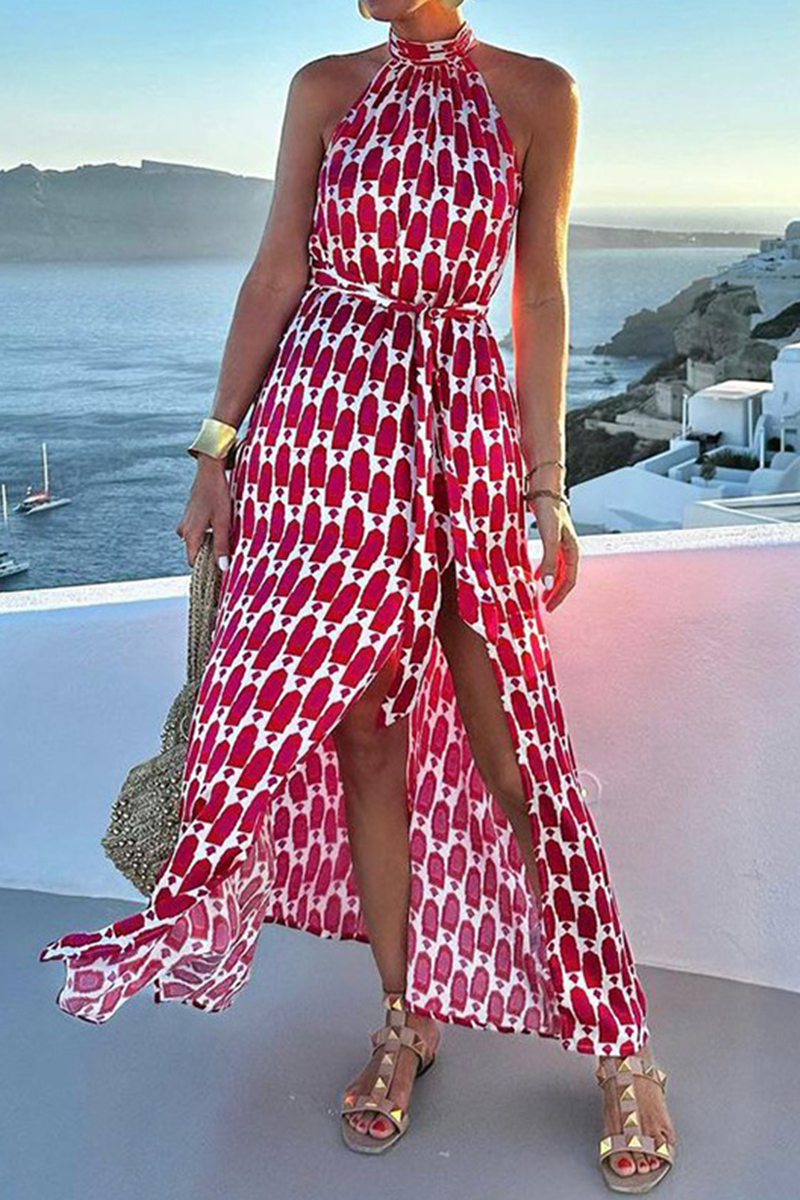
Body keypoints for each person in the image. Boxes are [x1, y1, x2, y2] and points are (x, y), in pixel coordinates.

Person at [39, 0, 677, 1189]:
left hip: (458, 427)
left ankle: (619, 1042)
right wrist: (214, 452)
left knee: (514, 750)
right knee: (366, 737)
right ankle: (401, 1017)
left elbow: (537, 293)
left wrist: (545, 486)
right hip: (322, 432)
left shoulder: (537, 93)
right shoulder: (324, 86)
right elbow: (277, 269)